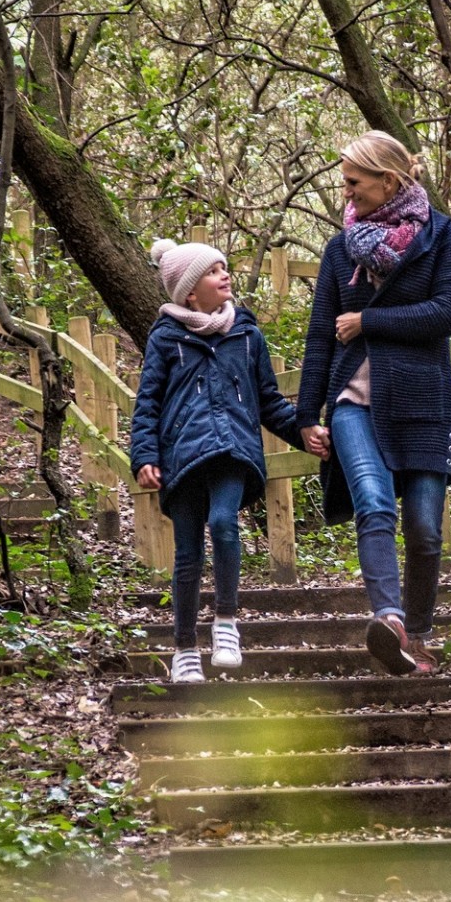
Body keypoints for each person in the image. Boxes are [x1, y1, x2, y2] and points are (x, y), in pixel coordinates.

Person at [297, 131, 451, 676]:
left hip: (423, 398)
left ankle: (417, 632)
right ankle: (390, 621)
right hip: (353, 401)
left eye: (354, 182)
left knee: (423, 527)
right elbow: (321, 335)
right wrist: (305, 416)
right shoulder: (339, 246)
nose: (346, 193)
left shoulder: (443, 237)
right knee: (373, 504)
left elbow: (447, 314)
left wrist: (370, 320)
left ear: (388, 181)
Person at [131, 238, 322, 682]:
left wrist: (303, 432)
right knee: (188, 556)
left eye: (224, 267)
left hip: (234, 449)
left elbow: (270, 402)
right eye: (214, 271)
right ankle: (184, 649)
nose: (226, 275)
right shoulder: (165, 339)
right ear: (191, 292)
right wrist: (144, 455)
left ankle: (226, 622)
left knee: (223, 522)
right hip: (181, 456)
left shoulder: (248, 336)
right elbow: (148, 404)